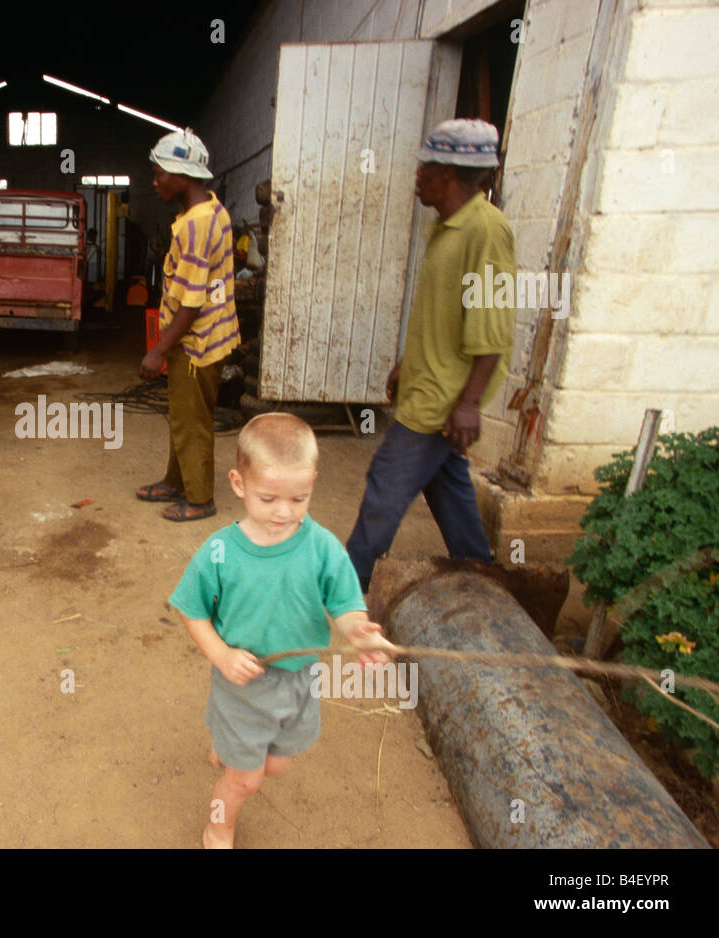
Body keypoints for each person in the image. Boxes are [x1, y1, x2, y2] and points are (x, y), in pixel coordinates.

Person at [169, 413, 395, 848]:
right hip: (244, 681)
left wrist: (358, 633)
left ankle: (230, 747)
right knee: (247, 780)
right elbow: (191, 610)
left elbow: (345, 605)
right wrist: (220, 655)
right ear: (238, 484)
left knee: (277, 766)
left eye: (299, 498)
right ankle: (219, 826)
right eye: (268, 498)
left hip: (300, 681)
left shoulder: (323, 546)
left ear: (312, 483)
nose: (284, 513)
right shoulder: (218, 552)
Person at [346, 118, 516, 592]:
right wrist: (408, 361)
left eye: (424, 166)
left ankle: (350, 576)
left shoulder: (487, 231)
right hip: (431, 381)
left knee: (387, 481)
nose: (417, 174)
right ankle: (478, 570)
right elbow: (440, 312)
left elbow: (494, 325)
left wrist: (468, 403)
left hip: (445, 395)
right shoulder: (446, 227)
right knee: (447, 484)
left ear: (447, 172)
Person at [136, 127, 240, 521]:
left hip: (197, 344)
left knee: (192, 421)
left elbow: (192, 302)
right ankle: (175, 482)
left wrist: (158, 350)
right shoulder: (212, 209)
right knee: (184, 414)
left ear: (183, 175)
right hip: (204, 339)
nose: (156, 181)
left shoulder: (197, 225)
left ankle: (199, 499)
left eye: (160, 172)